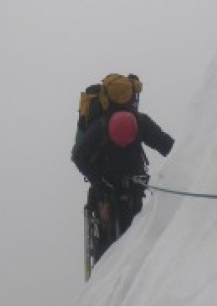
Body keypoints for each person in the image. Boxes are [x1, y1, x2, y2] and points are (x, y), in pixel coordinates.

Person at [72, 104, 174, 262]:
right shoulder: (99, 129)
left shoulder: (141, 123)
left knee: (131, 231)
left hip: (132, 189)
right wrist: (99, 184)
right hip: (106, 192)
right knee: (108, 240)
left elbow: (167, 145)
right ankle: (105, 274)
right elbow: (79, 157)